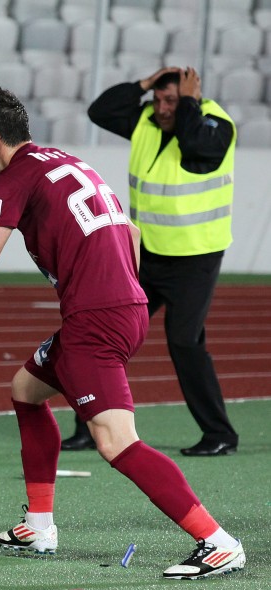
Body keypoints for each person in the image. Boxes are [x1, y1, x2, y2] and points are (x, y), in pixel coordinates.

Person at [0, 87, 246, 580]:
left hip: (97, 320)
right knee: (25, 389)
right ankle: (38, 524)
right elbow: (134, 234)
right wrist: (120, 292)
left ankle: (217, 541)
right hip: (119, 309)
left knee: (116, 442)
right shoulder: (61, 159)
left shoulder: (12, 179)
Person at [72, 66, 238, 457]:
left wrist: (189, 104)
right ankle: (87, 427)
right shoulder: (146, 120)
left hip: (195, 256)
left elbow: (196, 142)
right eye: (158, 100)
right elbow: (101, 111)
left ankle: (220, 434)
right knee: (105, 330)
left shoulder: (215, 125)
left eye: (172, 101)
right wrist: (144, 85)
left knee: (184, 341)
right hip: (146, 255)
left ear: (191, 99)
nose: (162, 109)